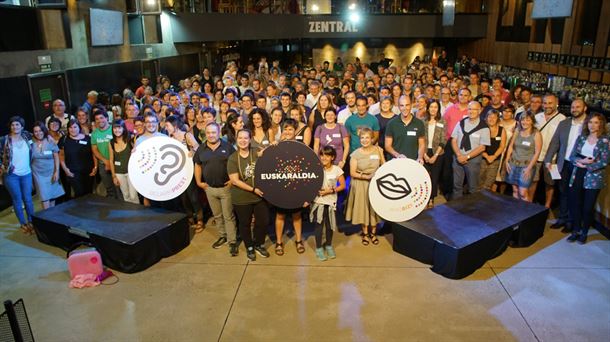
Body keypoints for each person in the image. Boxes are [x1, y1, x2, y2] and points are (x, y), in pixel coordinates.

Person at [193, 122, 238, 254]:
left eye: (214, 132)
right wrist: (198, 182)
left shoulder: (228, 147)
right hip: (210, 189)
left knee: (228, 216)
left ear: (219, 133)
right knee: (217, 215)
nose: (211, 135)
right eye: (208, 133)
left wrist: (232, 180)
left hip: (226, 188)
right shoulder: (201, 149)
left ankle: (232, 241)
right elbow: (198, 165)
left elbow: (235, 163)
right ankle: (223, 236)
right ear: (205, 134)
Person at [544, 99, 587, 231]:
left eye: (578, 107)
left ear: (585, 108)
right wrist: (548, 159)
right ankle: (562, 218)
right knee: (563, 192)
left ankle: (571, 221)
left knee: (575, 194)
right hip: (564, 163)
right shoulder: (564, 123)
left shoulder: (589, 124)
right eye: (573, 107)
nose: (574, 109)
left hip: (579, 165)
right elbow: (555, 143)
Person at [227, 129, 270, 261]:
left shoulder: (256, 153)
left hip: (259, 196)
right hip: (241, 197)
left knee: (263, 221)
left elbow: (269, 157)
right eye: (240, 138)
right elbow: (234, 180)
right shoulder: (233, 158)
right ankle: (249, 247)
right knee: (244, 224)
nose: (243, 140)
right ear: (236, 139)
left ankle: (259, 244)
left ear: (250, 139)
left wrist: (274, 145)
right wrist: (253, 189)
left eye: (246, 138)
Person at [565, 113, 609, 244]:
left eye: (596, 122)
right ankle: (576, 230)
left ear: (601, 124)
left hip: (593, 177)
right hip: (577, 173)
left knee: (587, 207)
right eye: (590, 122)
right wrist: (579, 161)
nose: (592, 125)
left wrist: (587, 165)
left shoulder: (605, 141)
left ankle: (584, 232)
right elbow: (572, 155)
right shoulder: (581, 138)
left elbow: (605, 161)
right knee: (575, 204)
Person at [273, 119, 309, 256]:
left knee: (296, 215)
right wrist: (272, 147)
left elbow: (307, 168)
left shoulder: (302, 147)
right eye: (286, 129)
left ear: (295, 131)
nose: (288, 132)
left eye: (290, 129)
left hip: (297, 187)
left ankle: (299, 240)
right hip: (281, 187)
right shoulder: (277, 146)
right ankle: (278, 242)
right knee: (280, 215)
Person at [346, 127, 385, 246]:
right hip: (361, 183)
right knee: (363, 208)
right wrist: (366, 177)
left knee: (374, 208)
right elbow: (352, 173)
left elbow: (384, 165)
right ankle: (365, 233)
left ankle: (373, 233)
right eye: (362, 138)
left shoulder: (379, 150)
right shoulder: (355, 154)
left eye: (367, 137)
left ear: (372, 138)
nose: (365, 140)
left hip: (375, 183)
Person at [165, 115, 203, 230]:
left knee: (193, 196)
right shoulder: (169, 138)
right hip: (177, 171)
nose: (166, 128)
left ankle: (200, 219)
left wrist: (192, 150)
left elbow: (199, 148)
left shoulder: (187, 135)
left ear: (175, 126)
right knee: (183, 197)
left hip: (189, 170)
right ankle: (190, 217)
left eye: (168, 125)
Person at [0, 116, 36, 234]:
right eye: (13, 125)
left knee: (28, 199)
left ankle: (32, 221)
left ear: (22, 126)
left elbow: (40, 136)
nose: (15, 127)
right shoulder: (4, 140)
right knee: (17, 199)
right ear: (10, 127)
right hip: (11, 175)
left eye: (17, 124)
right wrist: (3, 167)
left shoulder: (27, 136)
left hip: (26, 173)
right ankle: (23, 223)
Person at [310, 146, 346, 261]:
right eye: (322, 155)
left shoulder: (337, 170)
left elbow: (342, 185)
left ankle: (329, 245)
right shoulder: (316, 168)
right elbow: (309, 183)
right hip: (318, 202)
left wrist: (330, 191)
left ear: (332, 157)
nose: (324, 157)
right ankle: (319, 248)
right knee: (319, 226)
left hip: (331, 203)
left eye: (327, 155)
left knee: (330, 225)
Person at [451, 101, 491, 199]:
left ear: (479, 111)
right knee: (457, 185)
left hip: (473, 161)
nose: (471, 111)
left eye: (474, 109)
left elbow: (482, 147)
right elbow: (454, 140)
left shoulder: (484, 127)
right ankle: (457, 206)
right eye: (469, 109)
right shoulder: (461, 123)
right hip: (458, 158)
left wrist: (467, 157)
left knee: (472, 188)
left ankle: (471, 210)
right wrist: (459, 155)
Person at [531, 94, 566, 206]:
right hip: (535, 155)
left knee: (550, 183)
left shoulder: (562, 119)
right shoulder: (537, 117)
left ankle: (547, 206)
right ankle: (529, 204)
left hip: (552, 158)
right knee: (533, 180)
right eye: (545, 103)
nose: (547, 106)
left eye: (550, 103)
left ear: (556, 103)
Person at [504, 112, 542, 201]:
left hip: (526, 166)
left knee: (523, 193)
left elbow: (537, 152)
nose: (525, 122)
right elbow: (511, 146)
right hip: (513, 164)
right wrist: (506, 161)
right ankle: (517, 212)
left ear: (532, 121)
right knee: (515, 190)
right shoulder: (517, 130)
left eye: (528, 120)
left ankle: (526, 213)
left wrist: (529, 168)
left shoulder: (536, 134)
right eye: (523, 120)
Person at [30, 121, 64, 209]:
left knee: (52, 196)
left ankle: (51, 217)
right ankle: (46, 218)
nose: (38, 133)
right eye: (36, 131)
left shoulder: (49, 140)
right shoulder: (31, 143)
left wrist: (57, 172)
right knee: (44, 197)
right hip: (38, 175)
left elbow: (56, 156)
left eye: (40, 131)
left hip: (51, 172)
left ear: (44, 131)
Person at [59, 119, 96, 198]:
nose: (73, 129)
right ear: (68, 129)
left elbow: (93, 153)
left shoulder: (88, 138)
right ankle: (80, 210)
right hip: (73, 172)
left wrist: (95, 167)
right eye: (71, 127)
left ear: (79, 127)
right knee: (79, 193)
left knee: (89, 193)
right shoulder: (64, 140)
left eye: (75, 127)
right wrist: (66, 170)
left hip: (88, 171)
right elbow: (61, 156)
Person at [385, 95, 425, 163]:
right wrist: (398, 155)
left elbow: (422, 144)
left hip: (413, 162)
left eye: (407, 105)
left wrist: (420, 157)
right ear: (398, 107)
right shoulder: (391, 123)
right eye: (402, 105)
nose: (404, 108)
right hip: (396, 162)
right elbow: (387, 146)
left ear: (411, 105)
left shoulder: (419, 123)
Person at [422, 100, 447, 207]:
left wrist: (436, 155)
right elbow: (420, 139)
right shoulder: (423, 121)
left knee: (434, 178)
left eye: (435, 107)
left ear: (438, 109)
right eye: (431, 107)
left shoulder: (442, 122)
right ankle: (424, 198)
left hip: (438, 153)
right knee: (425, 177)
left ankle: (431, 199)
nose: (433, 109)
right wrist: (424, 154)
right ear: (428, 108)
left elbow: (443, 140)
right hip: (425, 151)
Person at [108, 119, 138, 204]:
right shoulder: (111, 143)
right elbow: (111, 160)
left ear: (124, 128)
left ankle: (138, 215)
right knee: (126, 195)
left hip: (131, 173)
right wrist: (114, 176)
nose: (117, 130)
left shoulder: (130, 139)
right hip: (119, 173)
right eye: (115, 128)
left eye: (119, 128)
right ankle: (130, 215)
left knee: (133, 196)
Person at [91, 110, 117, 198]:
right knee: (109, 189)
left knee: (119, 187)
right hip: (103, 164)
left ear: (107, 118)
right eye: (97, 119)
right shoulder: (94, 134)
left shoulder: (114, 129)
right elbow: (94, 150)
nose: (99, 121)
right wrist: (106, 161)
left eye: (101, 118)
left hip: (116, 163)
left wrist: (111, 162)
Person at [478, 110, 506, 191]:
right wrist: (486, 156)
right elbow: (477, 144)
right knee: (478, 182)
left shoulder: (502, 130)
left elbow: (502, 146)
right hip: (481, 159)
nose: (492, 119)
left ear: (497, 118)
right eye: (489, 116)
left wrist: (494, 156)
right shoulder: (481, 129)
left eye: (494, 117)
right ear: (486, 118)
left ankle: (484, 201)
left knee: (488, 184)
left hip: (495, 160)